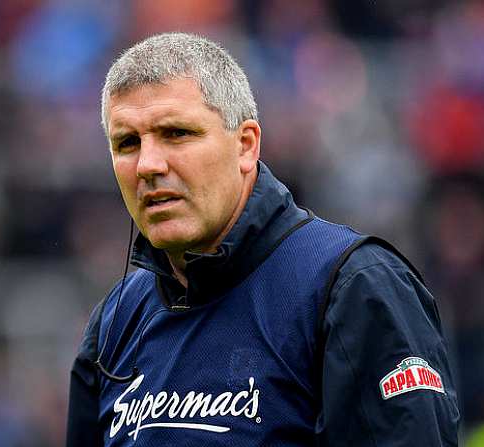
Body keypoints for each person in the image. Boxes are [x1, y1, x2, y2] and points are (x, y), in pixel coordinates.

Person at [66, 32, 460, 446]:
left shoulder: (354, 288)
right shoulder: (115, 320)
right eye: (127, 142)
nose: (148, 164)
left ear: (245, 145)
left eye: (177, 133)